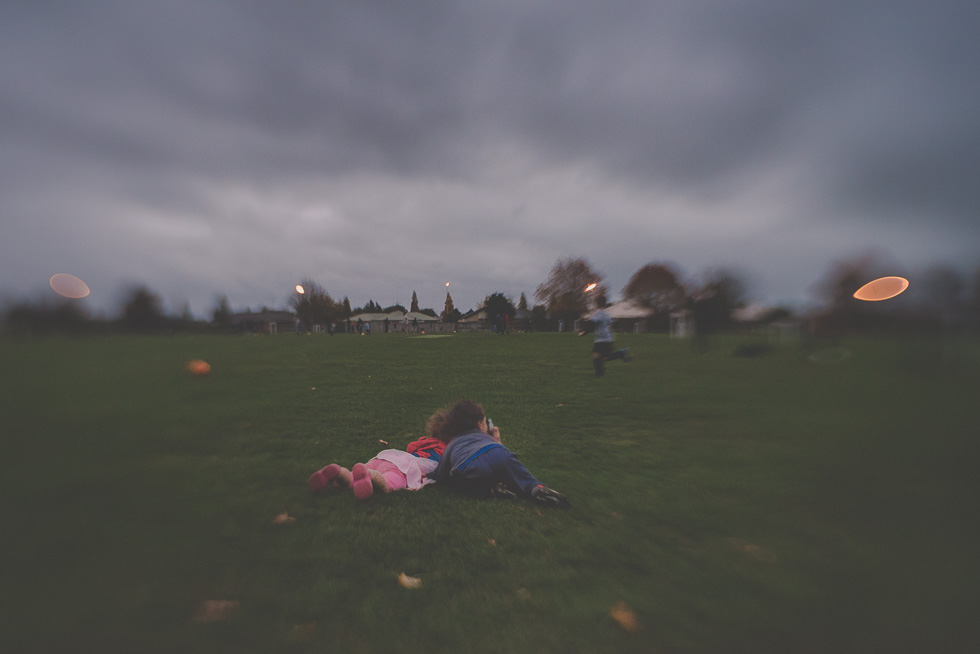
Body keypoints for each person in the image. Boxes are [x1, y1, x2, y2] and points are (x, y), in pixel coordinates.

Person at [429, 400, 569, 507]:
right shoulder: (487, 439)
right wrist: (497, 441)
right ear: (479, 425)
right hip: (500, 454)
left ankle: (490, 489)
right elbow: (496, 452)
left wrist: (431, 475)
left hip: (470, 465)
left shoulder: (453, 444)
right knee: (517, 474)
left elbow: (441, 474)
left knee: (467, 482)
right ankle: (536, 489)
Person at [309, 433, 447, 501]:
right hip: (404, 466)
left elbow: (411, 447)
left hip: (388, 457)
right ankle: (369, 475)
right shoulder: (448, 452)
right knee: (390, 481)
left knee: (353, 477)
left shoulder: (428, 441)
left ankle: (339, 473)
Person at [578, 295, 632, 377]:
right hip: (608, 337)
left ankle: (599, 374)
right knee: (605, 357)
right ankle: (621, 353)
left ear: (596, 303)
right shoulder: (606, 314)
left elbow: (592, 324)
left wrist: (583, 332)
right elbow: (610, 323)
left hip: (601, 338)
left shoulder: (598, 313)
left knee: (596, 354)